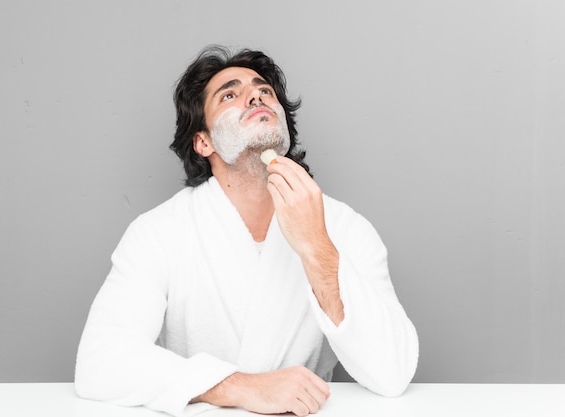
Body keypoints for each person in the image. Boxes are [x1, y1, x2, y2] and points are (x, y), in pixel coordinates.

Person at [75, 45, 419, 417]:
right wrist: (241, 387)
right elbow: (100, 361)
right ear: (203, 141)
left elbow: (393, 372)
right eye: (229, 95)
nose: (255, 95)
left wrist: (316, 247)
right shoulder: (158, 233)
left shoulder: (344, 229)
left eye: (264, 91)